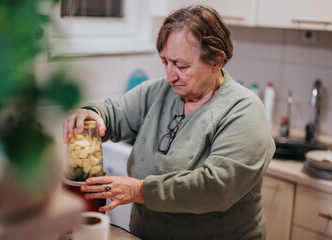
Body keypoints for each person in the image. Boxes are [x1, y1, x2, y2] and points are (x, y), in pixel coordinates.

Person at [63, 5, 275, 240]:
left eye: (181, 66)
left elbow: (216, 187)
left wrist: (139, 190)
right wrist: (90, 113)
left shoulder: (244, 111)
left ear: (216, 61)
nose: (169, 75)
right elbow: (113, 112)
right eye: (165, 62)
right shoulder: (158, 92)